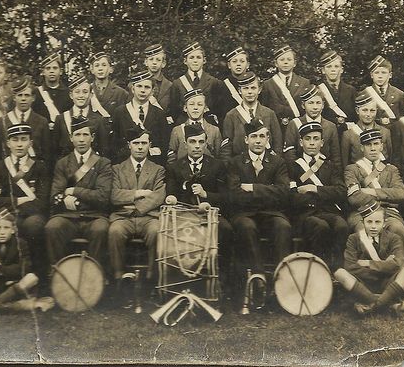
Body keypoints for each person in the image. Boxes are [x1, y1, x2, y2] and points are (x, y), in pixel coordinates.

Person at [165, 123, 234, 286]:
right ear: (185, 143)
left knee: (226, 229)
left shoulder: (218, 166)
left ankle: (221, 279)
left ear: (206, 143)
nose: (197, 146)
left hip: (210, 215)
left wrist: (205, 195)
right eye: (192, 142)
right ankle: (178, 280)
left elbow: (226, 197)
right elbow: (170, 194)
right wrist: (171, 198)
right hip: (183, 216)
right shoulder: (174, 167)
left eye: (201, 142)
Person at [226, 119, 292, 276]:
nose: (258, 141)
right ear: (246, 139)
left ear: (268, 139)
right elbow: (234, 195)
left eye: (262, 136)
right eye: (254, 136)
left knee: (283, 226)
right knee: (247, 227)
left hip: (271, 214)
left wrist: (252, 188)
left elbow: (283, 193)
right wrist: (269, 192)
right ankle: (258, 277)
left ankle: (282, 277)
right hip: (244, 214)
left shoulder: (278, 162)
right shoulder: (235, 163)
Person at [44, 118, 112, 268]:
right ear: (71, 138)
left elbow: (102, 197)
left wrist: (74, 191)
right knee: (52, 227)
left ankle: (95, 277)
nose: (81, 139)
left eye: (85, 135)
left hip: (95, 216)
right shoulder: (62, 163)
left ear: (92, 138)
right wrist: (82, 199)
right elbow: (55, 196)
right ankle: (58, 274)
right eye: (77, 135)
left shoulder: (103, 163)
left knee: (101, 229)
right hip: (68, 217)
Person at [0, 123, 51, 279]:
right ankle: (6, 276)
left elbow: (42, 201)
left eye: (24, 139)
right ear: (8, 143)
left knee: (33, 226)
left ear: (31, 143)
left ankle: (37, 276)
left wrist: (13, 206)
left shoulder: (40, 167)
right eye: (15, 140)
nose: (20, 144)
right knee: (5, 226)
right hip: (7, 216)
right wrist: (19, 200)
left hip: (32, 216)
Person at [334, 201, 404, 315]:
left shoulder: (394, 238)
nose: (373, 226)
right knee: (340, 273)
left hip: (387, 283)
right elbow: (350, 266)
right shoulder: (353, 239)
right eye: (369, 222)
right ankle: (387, 304)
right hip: (363, 285)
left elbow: (398, 264)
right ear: (363, 222)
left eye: (377, 222)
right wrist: (385, 266)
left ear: (384, 223)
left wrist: (368, 263)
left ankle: (372, 305)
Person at [108, 126, 166, 285]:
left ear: (150, 145)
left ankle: (151, 278)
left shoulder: (158, 170)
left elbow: (159, 195)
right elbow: (113, 195)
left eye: (144, 143)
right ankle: (119, 278)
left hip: (148, 217)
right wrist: (139, 193)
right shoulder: (117, 169)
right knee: (114, 231)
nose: (140, 147)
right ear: (129, 145)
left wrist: (134, 206)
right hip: (123, 218)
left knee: (156, 230)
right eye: (136, 143)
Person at [287, 122, 348, 268]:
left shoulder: (330, 165)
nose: (312, 143)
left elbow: (341, 191)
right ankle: (318, 270)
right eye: (308, 139)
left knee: (342, 226)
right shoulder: (292, 166)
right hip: (305, 215)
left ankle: (337, 270)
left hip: (328, 212)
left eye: (316, 139)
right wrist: (326, 193)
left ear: (322, 143)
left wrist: (314, 189)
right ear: (301, 142)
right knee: (321, 227)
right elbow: (292, 196)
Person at [344, 129, 404, 249]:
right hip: (361, 213)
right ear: (362, 148)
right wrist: (386, 198)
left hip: (388, 213)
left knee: (397, 229)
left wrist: (370, 191)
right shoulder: (352, 169)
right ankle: (364, 266)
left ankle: (398, 265)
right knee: (361, 231)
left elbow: (400, 194)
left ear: (382, 146)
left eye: (376, 144)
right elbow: (354, 198)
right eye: (368, 145)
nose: (373, 148)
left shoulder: (391, 169)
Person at [0, 75, 52, 165]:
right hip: (8, 173)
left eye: (27, 95)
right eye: (20, 95)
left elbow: (47, 155)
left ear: (33, 98)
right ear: (14, 98)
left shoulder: (42, 122)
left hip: (34, 173)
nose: (23, 99)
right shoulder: (2, 122)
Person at [112, 70, 169, 164]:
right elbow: (115, 143)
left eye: (147, 87)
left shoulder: (159, 114)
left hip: (152, 165)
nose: (143, 90)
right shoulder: (120, 112)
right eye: (139, 86)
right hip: (125, 163)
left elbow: (163, 143)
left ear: (152, 91)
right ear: (133, 89)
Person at [282, 84, 341, 173]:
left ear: (323, 105)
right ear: (303, 105)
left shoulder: (330, 126)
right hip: (300, 173)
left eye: (318, 103)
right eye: (310, 103)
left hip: (325, 174)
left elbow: (335, 157)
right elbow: (290, 155)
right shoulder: (294, 124)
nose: (315, 107)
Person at [222, 71, 283, 157]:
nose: (249, 92)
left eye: (253, 88)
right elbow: (226, 148)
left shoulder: (269, 114)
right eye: (245, 88)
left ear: (259, 90)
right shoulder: (232, 115)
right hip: (240, 165)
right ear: (239, 91)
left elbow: (278, 144)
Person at [52, 75, 109, 159]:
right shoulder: (61, 119)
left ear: (91, 95)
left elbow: (103, 150)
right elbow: (54, 150)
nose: (81, 95)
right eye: (77, 92)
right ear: (71, 95)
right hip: (67, 168)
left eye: (85, 92)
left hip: (91, 167)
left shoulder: (99, 120)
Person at [166, 88, 227, 164]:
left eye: (200, 104)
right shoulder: (177, 130)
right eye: (191, 104)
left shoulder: (214, 130)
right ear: (185, 108)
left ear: (205, 109)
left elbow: (218, 156)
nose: (195, 108)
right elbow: (172, 157)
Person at [168, 41, 221, 126]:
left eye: (198, 57)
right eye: (191, 58)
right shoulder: (177, 83)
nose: (195, 61)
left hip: (207, 124)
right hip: (184, 125)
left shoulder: (213, 82)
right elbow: (174, 111)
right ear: (185, 61)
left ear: (204, 60)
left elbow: (217, 109)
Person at [260, 44, 310, 133]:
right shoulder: (268, 84)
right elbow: (265, 109)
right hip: (275, 128)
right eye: (282, 59)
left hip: (298, 128)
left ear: (294, 63)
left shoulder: (304, 83)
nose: (285, 62)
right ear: (276, 63)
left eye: (289, 59)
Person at [340, 92, 392, 167]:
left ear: (376, 111)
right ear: (357, 111)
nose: (368, 114)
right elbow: (345, 164)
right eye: (364, 110)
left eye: (372, 110)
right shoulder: (348, 135)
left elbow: (389, 159)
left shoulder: (385, 132)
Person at [316, 50, 357, 132]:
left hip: (348, 133)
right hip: (326, 132)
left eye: (336, 66)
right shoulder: (318, 91)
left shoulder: (351, 90)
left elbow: (356, 115)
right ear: (323, 70)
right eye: (329, 67)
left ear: (341, 69)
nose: (333, 70)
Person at [211, 46, 251, 127]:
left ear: (247, 65)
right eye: (234, 61)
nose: (238, 64)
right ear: (229, 65)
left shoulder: (254, 85)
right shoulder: (221, 86)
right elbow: (218, 113)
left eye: (242, 61)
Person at [31, 52, 72, 129]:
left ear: (61, 71)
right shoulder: (36, 93)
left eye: (55, 68)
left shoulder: (69, 93)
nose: (51, 71)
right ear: (43, 72)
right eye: (48, 68)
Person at [88, 51, 129, 118]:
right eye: (97, 65)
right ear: (92, 70)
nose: (100, 69)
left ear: (111, 69)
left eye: (104, 65)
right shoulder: (86, 91)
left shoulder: (121, 93)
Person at [366, 55, 404, 125]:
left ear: (390, 75)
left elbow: (403, 118)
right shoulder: (365, 94)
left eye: (384, 72)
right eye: (376, 72)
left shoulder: (399, 94)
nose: (380, 76)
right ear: (371, 75)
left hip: (395, 132)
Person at [142, 44, 172, 118]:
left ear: (163, 64)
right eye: (151, 59)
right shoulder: (136, 85)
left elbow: (172, 112)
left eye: (158, 60)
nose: (154, 62)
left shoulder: (170, 86)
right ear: (146, 62)